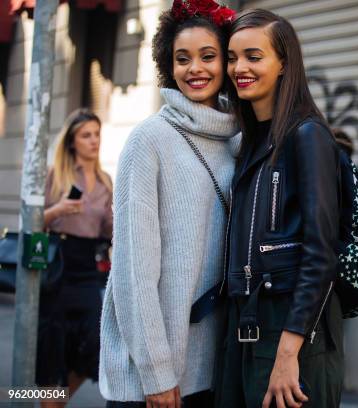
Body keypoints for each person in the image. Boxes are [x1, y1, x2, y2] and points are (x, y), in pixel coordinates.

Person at [98, 1, 238, 407]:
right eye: (182, 58)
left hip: (211, 371)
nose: (195, 68)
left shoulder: (237, 141)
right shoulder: (149, 140)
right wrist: (157, 373)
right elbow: (132, 272)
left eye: (208, 56)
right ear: (168, 65)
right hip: (153, 378)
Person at [215, 9, 344, 408]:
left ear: (284, 63)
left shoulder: (307, 135)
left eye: (254, 57)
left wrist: (289, 353)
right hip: (245, 327)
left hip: (290, 333)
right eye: (233, 58)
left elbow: (321, 253)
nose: (240, 68)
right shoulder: (251, 141)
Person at [38, 108, 113, 408]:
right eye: (86, 135)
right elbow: (32, 222)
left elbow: (110, 230)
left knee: (95, 347)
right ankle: (49, 403)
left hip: (87, 271)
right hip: (57, 267)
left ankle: (56, 402)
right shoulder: (57, 175)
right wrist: (58, 211)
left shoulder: (106, 180)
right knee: (51, 349)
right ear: (72, 142)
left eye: (96, 134)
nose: (94, 141)